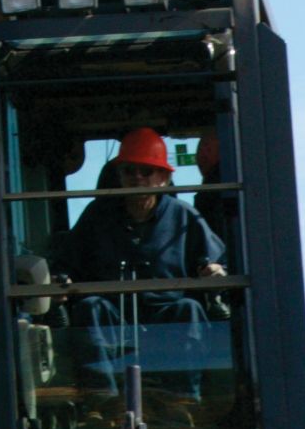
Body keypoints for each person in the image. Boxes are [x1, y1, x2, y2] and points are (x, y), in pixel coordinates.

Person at [53, 128, 226, 404]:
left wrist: (214, 270)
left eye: (146, 172)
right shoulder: (97, 216)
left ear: (164, 178)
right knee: (90, 308)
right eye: (129, 171)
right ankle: (102, 402)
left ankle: (181, 402)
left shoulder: (184, 216)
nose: (137, 178)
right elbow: (66, 264)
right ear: (119, 176)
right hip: (114, 316)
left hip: (165, 318)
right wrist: (59, 280)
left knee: (190, 310)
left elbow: (216, 261)